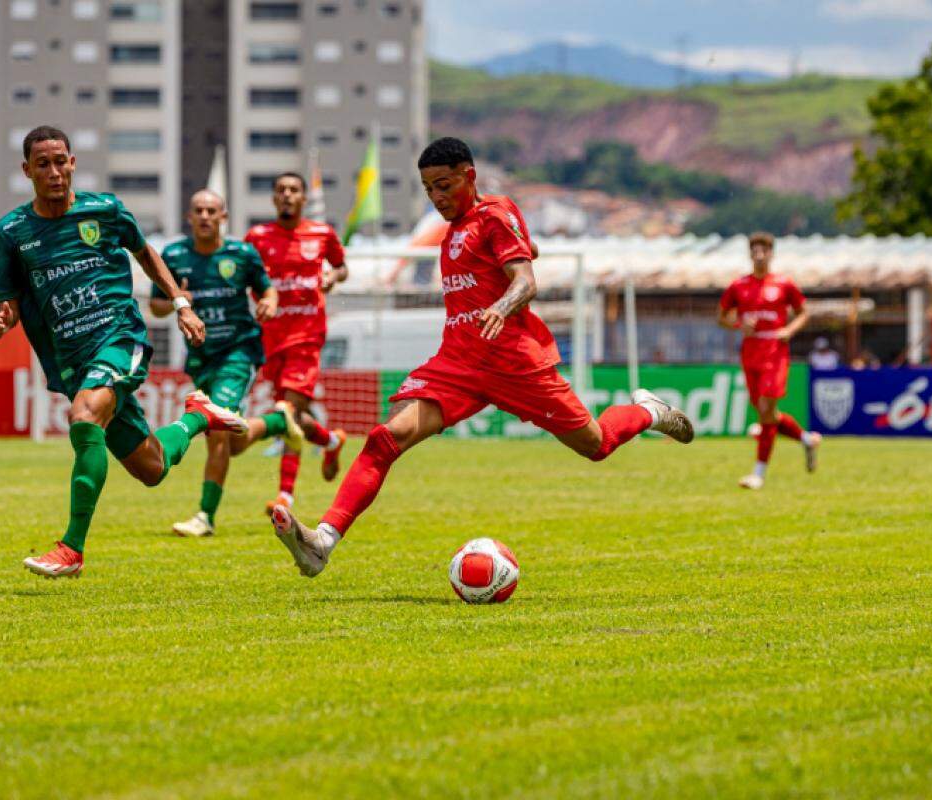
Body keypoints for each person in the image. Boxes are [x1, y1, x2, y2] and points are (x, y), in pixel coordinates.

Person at [267, 137, 695, 578]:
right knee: (383, 438)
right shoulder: (456, 231)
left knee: (596, 444)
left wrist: (501, 305)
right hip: (458, 363)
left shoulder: (495, 211)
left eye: (444, 185)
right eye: (428, 188)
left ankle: (648, 411)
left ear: (469, 175)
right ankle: (322, 541)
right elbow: (520, 251)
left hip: (515, 363)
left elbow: (526, 280)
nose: (436, 197)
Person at [0, 125, 248, 578]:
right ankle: (199, 416)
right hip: (71, 358)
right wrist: (5, 316)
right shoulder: (12, 231)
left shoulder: (104, 211)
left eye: (61, 161)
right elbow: (9, 296)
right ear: (26, 170)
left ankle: (71, 549)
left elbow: (146, 254)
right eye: (43, 164)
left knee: (85, 415)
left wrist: (182, 305)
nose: (54, 172)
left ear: (73, 163)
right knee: (151, 467)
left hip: (117, 338)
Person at [150, 189, 305, 537]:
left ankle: (205, 515)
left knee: (216, 431)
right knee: (230, 441)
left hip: (239, 351)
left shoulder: (241, 253)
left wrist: (268, 303)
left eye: (211, 211)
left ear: (223, 217)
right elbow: (156, 306)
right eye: (198, 211)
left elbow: (268, 290)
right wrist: (178, 301)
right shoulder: (173, 255)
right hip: (201, 356)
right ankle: (278, 421)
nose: (205, 216)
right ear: (189, 218)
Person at [244, 173, 349, 510]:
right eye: (281, 190)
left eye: (293, 190)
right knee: (294, 416)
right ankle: (331, 441)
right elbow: (243, 275)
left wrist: (334, 275)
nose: (287, 195)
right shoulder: (257, 237)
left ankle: (285, 496)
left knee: (285, 412)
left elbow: (341, 266)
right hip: (271, 337)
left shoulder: (322, 233)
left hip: (307, 335)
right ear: (274, 199)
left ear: (304, 198)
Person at [718, 232, 821, 490]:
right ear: (750, 254)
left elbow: (804, 313)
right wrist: (740, 323)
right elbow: (722, 317)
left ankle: (758, 474)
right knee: (767, 413)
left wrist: (789, 330)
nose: (760, 254)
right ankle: (806, 439)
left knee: (765, 409)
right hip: (750, 350)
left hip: (775, 349)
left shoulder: (784, 284)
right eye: (755, 250)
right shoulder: (738, 286)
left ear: (771, 254)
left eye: (764, 250)